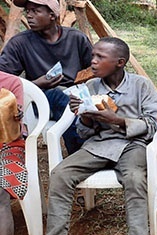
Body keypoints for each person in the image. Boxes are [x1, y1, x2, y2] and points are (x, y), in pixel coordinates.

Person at [17, 37, 157, 235]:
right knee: (61, 173)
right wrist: (83, 117)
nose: (93, 62)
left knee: (135, 179)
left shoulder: (141, 86)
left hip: (132, 146)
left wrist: (117, 121)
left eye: (99, 57)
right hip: (98, 146)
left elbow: (154, 125)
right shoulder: (91, 86)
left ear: (120, 62)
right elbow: (84, 134)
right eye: (92, 56)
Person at [0, 0, 93, 154]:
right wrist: (37, 84)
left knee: (72, 99)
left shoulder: (76, 38)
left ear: (52, 15)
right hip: (40, 99)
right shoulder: (20, 43)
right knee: (60, 96)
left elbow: (93, 69)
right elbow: (3, 79)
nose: (29, 15)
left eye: (35, 11)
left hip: (77, 93)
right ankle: (81, 153)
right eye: (27, 11)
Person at [0, 72, 26, 235]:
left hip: (9, 145)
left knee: (0, 192)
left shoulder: (10, 83)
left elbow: (15, 130)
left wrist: (18, 115)